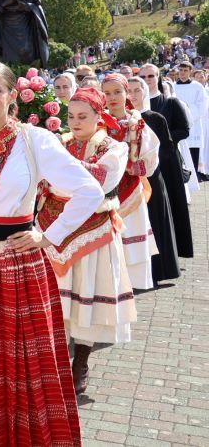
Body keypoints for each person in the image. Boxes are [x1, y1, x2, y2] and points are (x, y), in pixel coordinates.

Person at [0, 62, 102, 447]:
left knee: (20, 358)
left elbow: (89, 192)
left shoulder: (35, 141)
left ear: (12, 96)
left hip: (17, 259)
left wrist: (48, 235)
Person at [37, 87, 134, 395]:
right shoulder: (57, 143)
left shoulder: (113, 148)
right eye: (70, 116)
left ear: (98, 117)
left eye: (83, 116)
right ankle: (57, 359)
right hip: (53, 227)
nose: (75, 122)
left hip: (93, 229)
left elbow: (101, 180)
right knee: (58, 298)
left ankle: (81, 361)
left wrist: (58, 168)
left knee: (88, 296)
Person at [102, 75, 160, 290]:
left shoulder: (137, 123)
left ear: (127, 93)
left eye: (117, 92)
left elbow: (152, 155)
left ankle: (132, 285)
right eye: (107, 93)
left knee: (132, 232)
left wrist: (133, 165)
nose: (112, 97)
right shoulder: (98, 122)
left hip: (131, 190)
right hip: (104, 193)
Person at [126, 76, 182, 285]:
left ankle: (159, 271)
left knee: (156, 223)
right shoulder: (119, 120)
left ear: (145, 91)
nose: (132, 95)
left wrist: (145, 163)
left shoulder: (156, 118)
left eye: (137, 90)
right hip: (128, 182)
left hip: (152, 178)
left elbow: (167, 149)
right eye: (128, 90)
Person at [142, 64, 195, 258]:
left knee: (171, 206)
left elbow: (183, 130)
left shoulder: (170, 103)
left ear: (158, 77)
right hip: (145, 165)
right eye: (143, 76)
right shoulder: (134, 106)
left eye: (151, 75)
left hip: (167, 161)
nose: (148, 79)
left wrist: (162, 139)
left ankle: (173, 252)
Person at [171, 60, 209, 180]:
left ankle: (195, 176)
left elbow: (203, 105)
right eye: (181, 70)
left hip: (194, 124)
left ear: (190, 72)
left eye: (185, 70)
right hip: (178, 125)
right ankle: (182, 175)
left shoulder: (197, 87)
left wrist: (188, 113)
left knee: (193, 150)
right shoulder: (173, 87)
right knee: (180, 150)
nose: (182, 73)